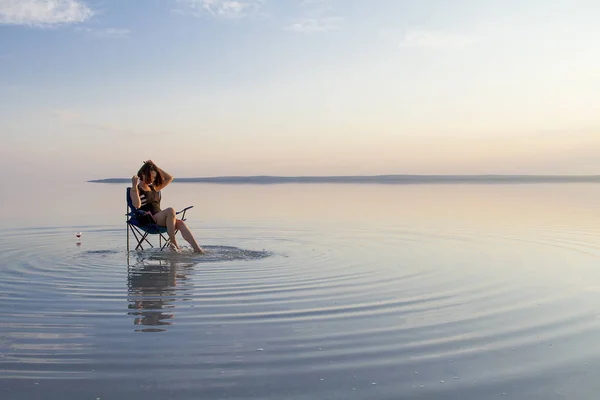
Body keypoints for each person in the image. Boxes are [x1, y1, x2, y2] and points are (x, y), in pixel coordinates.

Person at [130, 160, 205, 254]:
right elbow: (137, 205)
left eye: (154, 177)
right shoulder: (136, 189)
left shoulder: (154, 188)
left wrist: (155, 166)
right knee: (171, 210)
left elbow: (169, 178)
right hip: (149, 220)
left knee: (181, 223)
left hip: (161, 217)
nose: (153, 179)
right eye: (151, 176)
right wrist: (134, 186)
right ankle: (173, 244)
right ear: (143, 174)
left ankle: (197, 249)